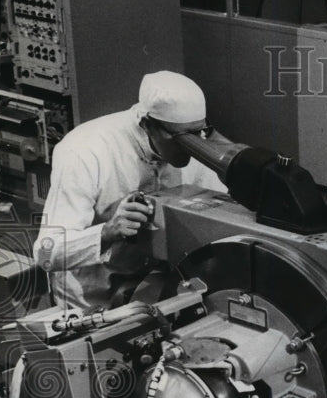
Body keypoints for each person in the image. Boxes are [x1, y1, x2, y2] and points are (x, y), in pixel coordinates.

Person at [33, 71, 228, 312]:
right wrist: (107, 231)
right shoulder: (84, 151)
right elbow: (46, 253)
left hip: (155, 290)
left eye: (200, 132)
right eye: (181, 137)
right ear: (147, 124)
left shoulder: (196, 139)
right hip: (92, 300)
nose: (193, 145)